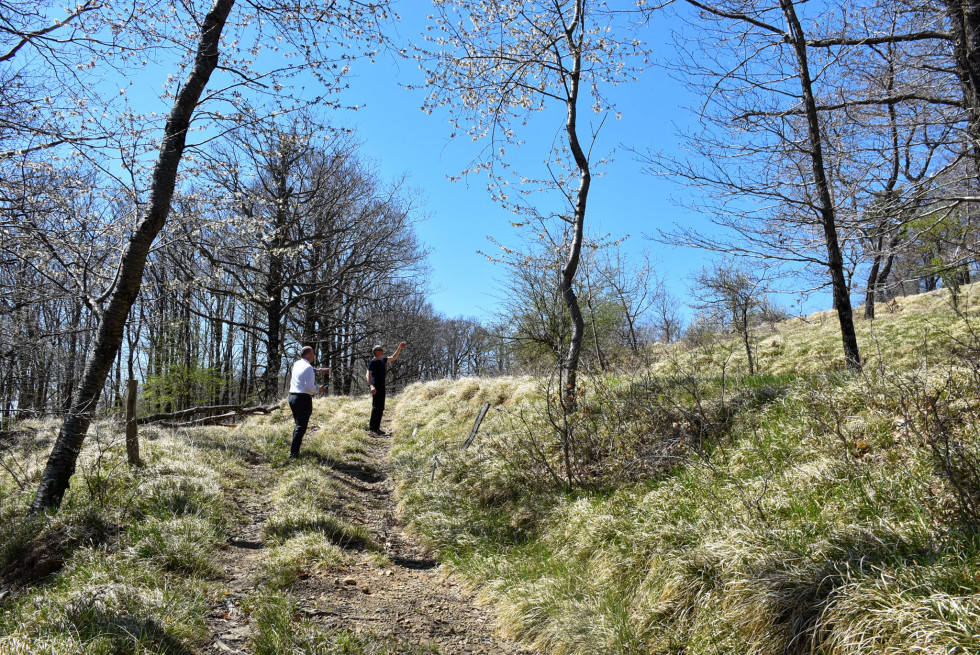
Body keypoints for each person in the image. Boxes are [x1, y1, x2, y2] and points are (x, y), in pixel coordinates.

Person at [288, 346, 329, 458]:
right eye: (312, 354)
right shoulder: (308, 368)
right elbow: (309, 386)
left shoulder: (297, 364)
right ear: (307, 355)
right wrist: (318, 389)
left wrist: (320, 370)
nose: (314, 356)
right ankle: (293, 454)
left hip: (292, 397)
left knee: (298, 425)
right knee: (301, 427)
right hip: (303, 399)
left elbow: (308, 370)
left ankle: (294, 449)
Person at [367, 341, 406, 434]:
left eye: (381, 350)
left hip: (382, 386)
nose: (380, 351)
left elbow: (393, 357)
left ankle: (377, 428)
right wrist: (371, 386)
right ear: (375, 352)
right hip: (376, 386)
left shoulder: (383, 360)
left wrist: (399, 347)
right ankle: (372, 428)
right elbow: (368, 374)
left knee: (381, 407)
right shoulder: (373, 362)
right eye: (378, 350)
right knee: (376, 407)